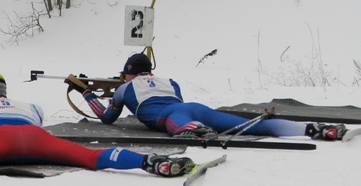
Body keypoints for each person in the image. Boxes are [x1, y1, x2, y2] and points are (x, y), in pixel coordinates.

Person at [0, 69, 193, 177]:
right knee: (92, 157)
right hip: (38, 138)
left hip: (0, 139)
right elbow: (29, 128)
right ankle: (148, 162)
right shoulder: (32, 106)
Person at [76, 53, 348, 140]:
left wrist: (88, 94)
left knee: (179, 126)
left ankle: (196, 131)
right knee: (250, 124)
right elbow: (177, 99)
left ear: (128, 74)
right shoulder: (169, 81)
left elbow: (108, 117)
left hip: (173, 116)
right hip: (194, 107)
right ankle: (312, 129)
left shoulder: (125, 88)